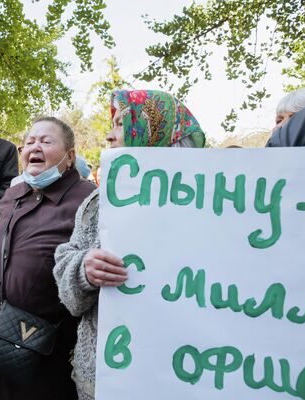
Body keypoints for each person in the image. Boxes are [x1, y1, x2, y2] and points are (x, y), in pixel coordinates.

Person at [53, 89, 206, 400]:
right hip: (106, 379)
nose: (109, 136)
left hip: (187, 376)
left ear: (153, 131)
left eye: (122, 124)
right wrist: (83, 268)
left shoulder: (209, 201)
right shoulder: (98, 201)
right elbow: (67, 271)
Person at [0, 117, 95, 400]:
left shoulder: (88, 201)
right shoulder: (14, 194)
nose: (34, 146)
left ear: (70, 156)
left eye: (46, 141)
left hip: (40, 352)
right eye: (29, 142)